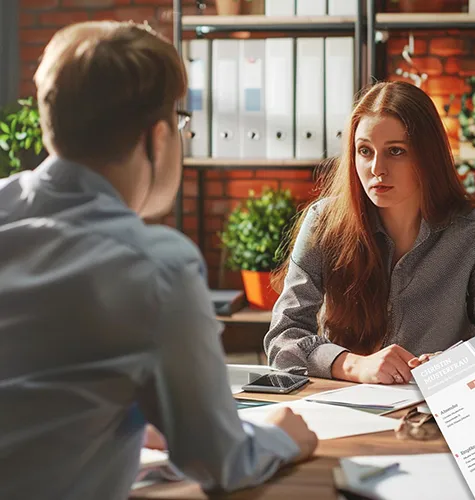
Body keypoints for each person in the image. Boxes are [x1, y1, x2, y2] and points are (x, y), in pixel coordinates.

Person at [0, 21, 317, 500]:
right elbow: (219, 461)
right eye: (180, 122)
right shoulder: (156, 267)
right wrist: (281, 436)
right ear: (157, 136)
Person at [264, 80, 475, 384]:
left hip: (435, 410)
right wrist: (355, 366)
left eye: (395, 151)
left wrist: (453, 363)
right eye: (364, 151)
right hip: (344, 405)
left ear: (428, 156)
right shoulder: (324, 222)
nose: (376, 168)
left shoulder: (473, 231)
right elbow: (283, 338)